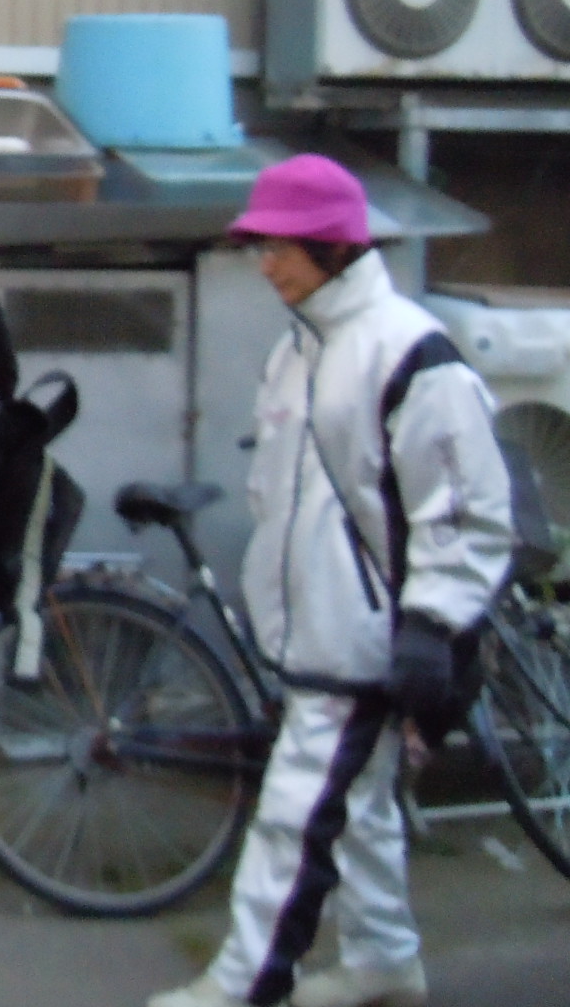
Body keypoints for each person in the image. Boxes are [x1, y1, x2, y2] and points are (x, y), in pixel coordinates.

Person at [148, 155, 514, 1007]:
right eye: (260, 247)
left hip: (365, 634)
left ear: (337, 247)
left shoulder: (409, 352)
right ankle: (384, 961)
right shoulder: (301, 350)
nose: (265, 264)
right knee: (361, 806)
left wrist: (432, 622)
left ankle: (246, 984)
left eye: (280, 247)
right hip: (328, 627)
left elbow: (465, 506)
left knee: (297, 814)